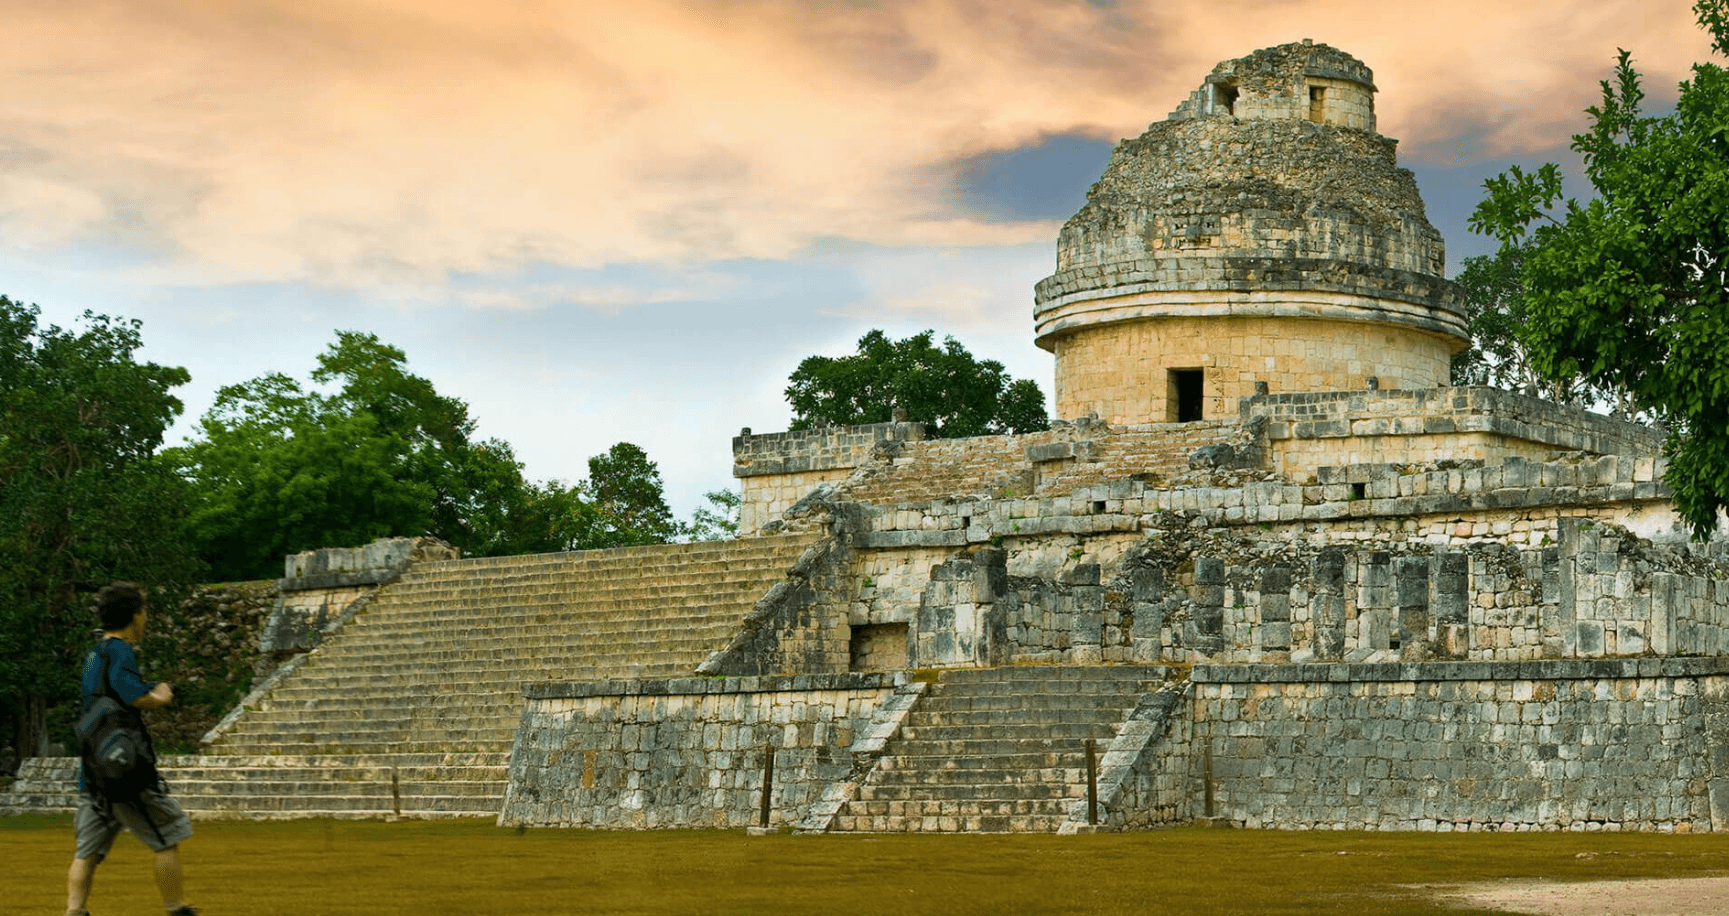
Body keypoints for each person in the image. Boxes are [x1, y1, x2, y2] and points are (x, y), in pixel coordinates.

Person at [65, 582, 199, 916]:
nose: (146, 618)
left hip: (94, 770)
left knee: (87, 853)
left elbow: (102, 698)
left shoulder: (95, 653)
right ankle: (176, 908)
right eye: (144, 611)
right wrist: (161, 697)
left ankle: (74, 912)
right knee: (166, 837)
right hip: (124, 770)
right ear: (133, 616)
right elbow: (131, 694)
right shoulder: (121, 650)